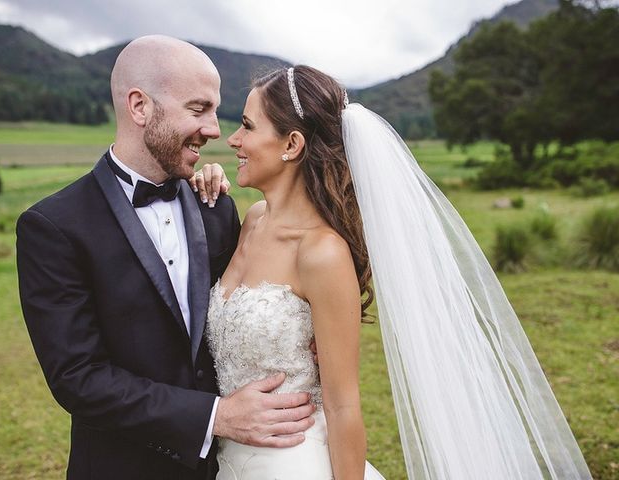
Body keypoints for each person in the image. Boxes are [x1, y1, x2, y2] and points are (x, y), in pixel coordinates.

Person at [205, 65, 593, 479]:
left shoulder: (321, 253)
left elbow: (343, 404)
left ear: (292, 144)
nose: (232, 139)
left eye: (247, 126)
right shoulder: (254, 221)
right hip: (224, 457)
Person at [16, 36, 316, 480]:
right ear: (139, 107)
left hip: (232, 465)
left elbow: (239, 317)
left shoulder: (216, 208)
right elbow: (78, 377)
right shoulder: (53, 226)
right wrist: (216, 417)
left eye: (215, 110)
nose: (215, 129)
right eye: (198, 110)